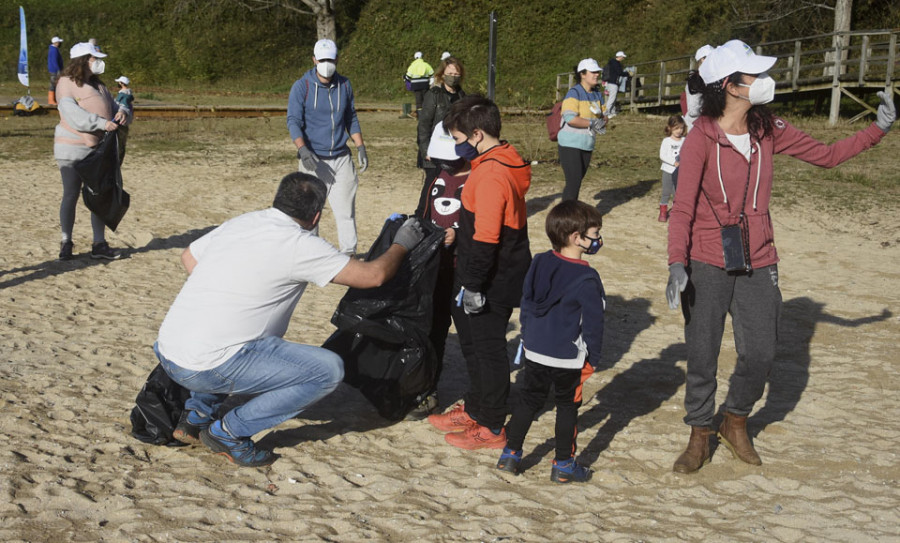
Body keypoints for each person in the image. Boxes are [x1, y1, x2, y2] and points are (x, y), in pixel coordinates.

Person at [666, 39, 895, 474]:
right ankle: (699, 432)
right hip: (707, 259)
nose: (764, 81)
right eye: (753, 75)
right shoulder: (700, 137)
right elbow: (682, 207)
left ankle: (735, 422)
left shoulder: (768, 127)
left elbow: (826, 157)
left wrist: (877, 130)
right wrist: (678, 262)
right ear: (730, 85)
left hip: (759, 256)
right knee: (702, 352)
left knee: (762, 352)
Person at [154, 172, 425, 467]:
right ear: (317, 215)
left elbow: (188, 258)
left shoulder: (244, 221)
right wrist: (402, 244)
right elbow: (373, 276)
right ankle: (228, 432)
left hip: (168, 350)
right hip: (205, 366)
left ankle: (196, 417)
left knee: (237, 337)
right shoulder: (299, 244)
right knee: (328, 370)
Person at [427, 95, 532, 450]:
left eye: (458, 140)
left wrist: (472, 285)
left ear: (476, 135)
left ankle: (491, 424)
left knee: (488, 348)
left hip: (492, 274)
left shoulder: (491, 174)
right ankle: (476, 406)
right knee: (473, 342)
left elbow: (487, 237)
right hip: (482, 268)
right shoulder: (497, 161)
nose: (457, 148)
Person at [497, 200, 605, 484]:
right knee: (567, 407)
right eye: (595, 234)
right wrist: (593, 356)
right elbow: (594, 324)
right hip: (568, 357)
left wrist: (528, 336)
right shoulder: (588, 277)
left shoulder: (540, 261)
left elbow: (527, 301)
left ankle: (510, 454)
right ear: (576, 238)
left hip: (534, 349)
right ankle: (564, 465)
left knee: (528, 401)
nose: (598, 240)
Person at [406, 122, 470, 420]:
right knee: (432, 331)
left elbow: (489, 227)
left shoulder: (477, 178)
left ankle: (479, 397)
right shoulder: (436, 178)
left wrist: (460, 236)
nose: (442, 164)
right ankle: (426, 391)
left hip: (464, 271)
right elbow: (424, 212)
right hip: (435, 268)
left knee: (471, 337)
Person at [287, 39, 368, 256]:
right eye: (322, 59)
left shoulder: (345, 85)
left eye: (330, 59)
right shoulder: (301, 87)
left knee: (345, 211)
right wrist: (303, 150)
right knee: (310, 212)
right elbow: (293, 121)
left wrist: (360, 146)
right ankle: (311, 254)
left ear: (337, 59)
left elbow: (351, 117)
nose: (326, 63)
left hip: (341, 158)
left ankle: (349, 254)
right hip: (313, 160)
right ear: (314, 60)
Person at [54, 41, 132, 261]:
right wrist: (100, 123)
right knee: (70, 194)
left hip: (98, 150)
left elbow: (116, 108)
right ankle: (66, 241)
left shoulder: (99, 86)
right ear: (82, 60)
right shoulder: (65, 83)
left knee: (98, 194)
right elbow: (71, 113)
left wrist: (124, 112)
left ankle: (99, 243)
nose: (98, 63)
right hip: (71, 148)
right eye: (94, 59)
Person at [557, 58, 607, 202]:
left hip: (587, 143)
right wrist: (592, 123)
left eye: (598, 72)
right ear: (582, 74)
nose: (597, 74)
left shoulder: (598, 94)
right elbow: (570, 118)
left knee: (575, 184)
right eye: (593, 72)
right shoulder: (574, 93)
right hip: (570, 144)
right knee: (574, 184)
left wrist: (603, 121)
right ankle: (568, 218)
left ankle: (565, 215)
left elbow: (603, 116)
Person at [416, 56, 465, 193]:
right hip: (434, 151)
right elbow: (424, 125)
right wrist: (426, 151)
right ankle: (422, 214)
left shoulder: (462, 96)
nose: (453, 77)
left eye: (456, 74)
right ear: (442, 74)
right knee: (431, 186)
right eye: (450, 74)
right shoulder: (434, 95)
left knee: (450, 186)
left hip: (453, 151)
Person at [658, 115, 686, 222]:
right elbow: (662, 155)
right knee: (666, 191)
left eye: (681, 128)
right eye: (676, 128)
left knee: (677, 193)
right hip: (668, 171)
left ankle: (676, 211)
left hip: (680, 172)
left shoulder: (685, 140)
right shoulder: (666, 141)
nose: (679, 131)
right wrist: (674, 162)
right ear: (670, 128)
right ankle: (663, 211)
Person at [682, 44, 713, 131]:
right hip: (696, 127)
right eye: (708, 58)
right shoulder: (695, 81)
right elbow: (693, 111)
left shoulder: (715, 79)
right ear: (701, 60)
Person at [405, 51, 434, 118]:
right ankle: (427, 115)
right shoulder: (426, 65)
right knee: (426, 100)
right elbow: (432, 74)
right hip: (425, 85)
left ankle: (420, 116)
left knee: (419, 101)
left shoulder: (412, 66)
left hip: (416, 86)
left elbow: (408, 77)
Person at [114, 76, 134, 165]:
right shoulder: (129, 92)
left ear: (121, 83)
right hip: (126, 120)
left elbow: (117, 103)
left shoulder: (122, 93)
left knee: (119, 143)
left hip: (121, 119)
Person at [601, 51, 627, 117]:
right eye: (623, 57)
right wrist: (627, 74)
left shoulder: (611, 63)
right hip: (613, 83)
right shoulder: (616, 64)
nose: (623, 58)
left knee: (613, 98)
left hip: (609, 83)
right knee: (612, 98)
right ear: (620, 57)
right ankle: (606, 113)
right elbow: (620, 72)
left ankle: (612, 112)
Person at [47, 36, 64, 105]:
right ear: (56, 43)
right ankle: (51, 100)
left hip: (54, 69)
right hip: (54, 70)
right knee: (53, 84)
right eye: (59, 42)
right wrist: (58, 69)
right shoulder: (54, 50)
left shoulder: (54, 49)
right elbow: (54, 61)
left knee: (55, 84)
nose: (60, 44)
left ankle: (53, 99)